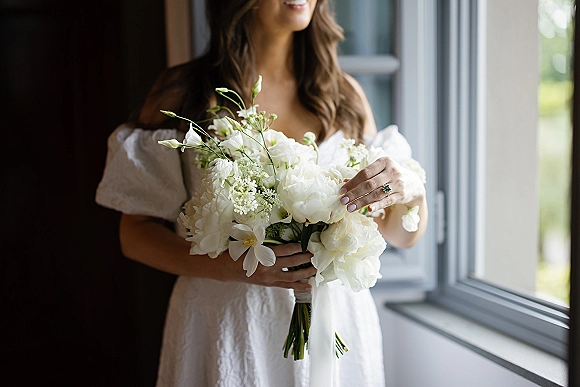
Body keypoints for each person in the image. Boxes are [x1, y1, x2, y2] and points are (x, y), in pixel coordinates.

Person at [96, 0, 428, 386]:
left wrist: (410, 192)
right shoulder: (184, 93)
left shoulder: (344, 96)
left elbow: (403, 234)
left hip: (337, 323)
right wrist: (231, 267)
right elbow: (134, 232)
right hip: (228, 321)